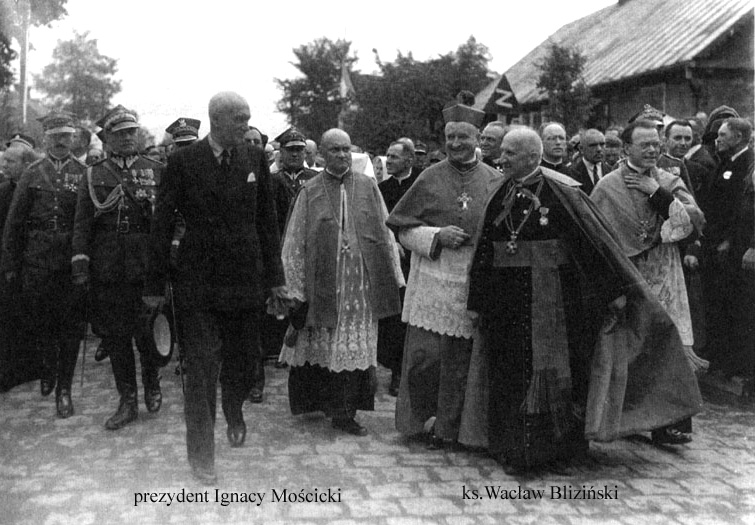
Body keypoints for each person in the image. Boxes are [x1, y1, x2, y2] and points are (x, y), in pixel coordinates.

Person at [468, 127, 703, 471]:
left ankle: (561, 452)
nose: (500, 159)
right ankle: (515, 451)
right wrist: (476, 302)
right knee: (510, 375)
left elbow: (593, 247)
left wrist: (613, 295)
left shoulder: (563, 192)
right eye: (501, 153)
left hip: (559, 303)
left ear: (532, 157)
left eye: (509, 154)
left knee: (565, 378)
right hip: (507, 305)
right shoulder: (499, 191)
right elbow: (484, 252)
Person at [148, 92, 285, 485]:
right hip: (199, 282)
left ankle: (234, 407)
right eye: (239, 118)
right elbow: (162, 223)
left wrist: (276, 279)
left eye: (248, 118)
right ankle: (202, 455)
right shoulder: (183, 162)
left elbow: (267, 223)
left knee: (244, 362)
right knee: (202, 370)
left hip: (245, 280)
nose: (246, 124)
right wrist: (155, 284)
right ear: (217, 120)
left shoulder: (255, 158)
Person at [387, 97, 501, 448]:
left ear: (477, 138)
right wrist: (437, 235)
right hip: (433, 275)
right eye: (450, 137)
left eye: (462, 137)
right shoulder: (429, 176)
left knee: (462, 359)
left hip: (472, 277)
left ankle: (453, 427)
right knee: (427, 357)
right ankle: (420, 421)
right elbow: (400, 227)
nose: (454, 144)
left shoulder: (495, 180)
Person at [280, 128, 403, 437]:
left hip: (360, 283)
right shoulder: (310, 190)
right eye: (334, 150)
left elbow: (385, 231)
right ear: (321, 154)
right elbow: (295, 239)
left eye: (346, 149)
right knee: (324, 342)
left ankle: (346, 413)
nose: (342, 155)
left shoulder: (367, 185)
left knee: (353, 345)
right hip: (325, 281)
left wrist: (394, 272)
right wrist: (293, 286)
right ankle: (321, 403)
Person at [591, 119, 707, 444]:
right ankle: (626, 418)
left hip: (664, 271)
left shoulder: (669, 179)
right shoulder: (608, 186)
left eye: (656, 144)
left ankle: (668, 423)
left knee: (667, 342)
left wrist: (657, 194)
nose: (653, 150)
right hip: (626, 273)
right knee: (631, 344)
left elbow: (693, 219)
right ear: (627, 148)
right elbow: (597, 233)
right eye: (645, 145)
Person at [71, 105, 165, 430]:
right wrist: (80, 263)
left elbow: (170, 221)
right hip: (108, 269)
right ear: (107, 138)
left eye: (131, 131)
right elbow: (82, 224)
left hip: (146, 266)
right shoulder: (93, 174)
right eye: (120, 133)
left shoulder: (156, 170)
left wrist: (170, 258)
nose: (128, 137)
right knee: (117, 336)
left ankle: (152, 380)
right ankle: (128, 400)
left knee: (147, 333)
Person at [1, 112, 86, 417]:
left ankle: (64, 389)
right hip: (37, 260)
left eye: (67, 136)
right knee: (41, 321)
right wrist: (10, 263)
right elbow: (14, 222)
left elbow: (89, 222)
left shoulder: (85, 172)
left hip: (71, 261)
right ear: (47, 138)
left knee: (72, 326)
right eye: (56, 137)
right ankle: (48, 363)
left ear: (73, 138)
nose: (62, 142)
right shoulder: (32, 173)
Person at [257, 127, 318, 386]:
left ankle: (299, 350)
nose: (295, 154)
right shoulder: (272, 181)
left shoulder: (316, 179)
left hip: (309, 248)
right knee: (277, 297)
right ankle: (274, 348)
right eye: (290, 150)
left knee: (305, 298)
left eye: (299, 150)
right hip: (279, 246)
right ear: (281, 153)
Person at [697, 118, 754, 380]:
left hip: (733, 245)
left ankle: (734, 364)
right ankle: (719, 357)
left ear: (739, 138)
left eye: (722, 135)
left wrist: (731, 241)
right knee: (718, 300)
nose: (716, 139)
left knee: (734, 303)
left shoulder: (746, 164)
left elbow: (740, 209)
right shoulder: (726, 161)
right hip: (715, 242)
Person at [378, 140, 419, 396]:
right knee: (390, 316)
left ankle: (401, 372)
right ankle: (391, 366)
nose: (388, 161)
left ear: (409, 161)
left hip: (414, 258)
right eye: (388, 156)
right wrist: (392, 242)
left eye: (394, 157)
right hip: (388, 258)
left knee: (408, 316)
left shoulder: (420, 186)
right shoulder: (381, 188)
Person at [0, 145, 39, 391]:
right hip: (8, 261)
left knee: (27, 315)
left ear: (26, 164)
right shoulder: (3, 191)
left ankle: (31, 367)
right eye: (4, 162)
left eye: (10, 162)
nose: (4, 166)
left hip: (33, 259)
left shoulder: (37, 190)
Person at [569, 129, 610, 194]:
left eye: (602, 144)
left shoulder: (611, 171)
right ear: (581, 149)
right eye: (593, 145)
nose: (599, 149)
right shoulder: (571, 173)